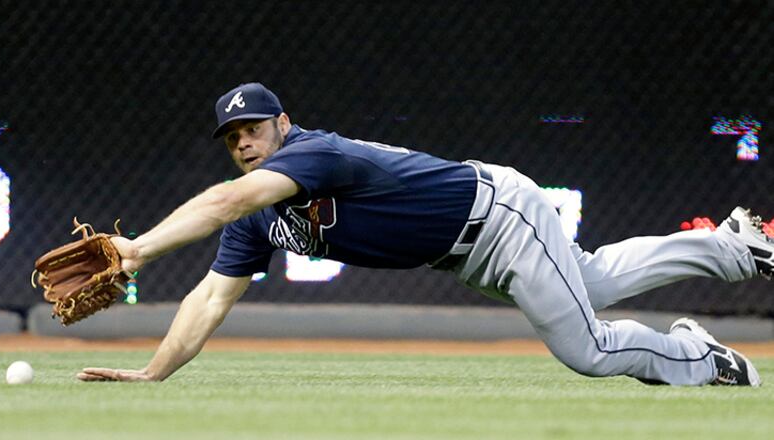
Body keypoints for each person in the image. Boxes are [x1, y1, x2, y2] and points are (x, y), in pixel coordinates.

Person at [77, 82, 768, 386]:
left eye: (252, 128)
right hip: (467, 250)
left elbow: (228, 200)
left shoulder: (313, 153)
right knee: (593, 279)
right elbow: (209, 300)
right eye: (232, 136)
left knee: (585, 351)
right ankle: (736, 246)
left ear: (282, 124)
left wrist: (137, 248)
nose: (244, 142)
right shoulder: (259, 214)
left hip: (497, 214)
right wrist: (152, 372)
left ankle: (704, 361)